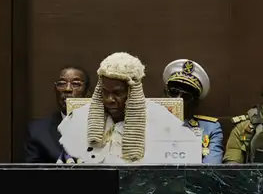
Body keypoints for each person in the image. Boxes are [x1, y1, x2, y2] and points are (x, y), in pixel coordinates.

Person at [57, 52, 198, 163]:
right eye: (105, 92)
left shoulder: (163, 121)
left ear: (133, 92)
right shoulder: (78, 118)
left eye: (117, 93)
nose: (109, 100)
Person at [162, 59, 223, 164]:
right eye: (173, 92)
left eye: (186, 96)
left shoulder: (210, 128)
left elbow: (211, 169)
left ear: (195, 103)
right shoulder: (145, 124)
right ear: (164, 94)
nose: (178, 99)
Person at [24, 66, 90, 162]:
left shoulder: (104, 126)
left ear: (87, 92)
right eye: (62, 84)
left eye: (76, 84)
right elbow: (33, 170)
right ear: (55, 90)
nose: (67, 89)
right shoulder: (37, 131)